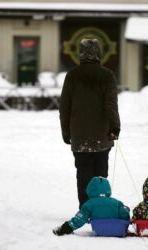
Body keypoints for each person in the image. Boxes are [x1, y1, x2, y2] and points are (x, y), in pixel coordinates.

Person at [59, 38, 120, 208]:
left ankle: (85, 209)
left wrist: (66, 132)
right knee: (100, 175)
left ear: (81, 53)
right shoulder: (107, 75)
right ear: (98, 53)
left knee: (83, 174)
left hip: (79, 136)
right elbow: (111, 105)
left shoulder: (72, 76)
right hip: (103, 135)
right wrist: (115, 127)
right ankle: (100, 208)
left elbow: (65, 107)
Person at [53, 177, 130, 236]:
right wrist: (126, 211)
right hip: (116, 230)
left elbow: (79, 219)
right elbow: (124, 214)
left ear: (90, 190)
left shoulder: (89, 204)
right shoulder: (116, 203)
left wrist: (67, 227)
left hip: (99, 230)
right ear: (108, 189)